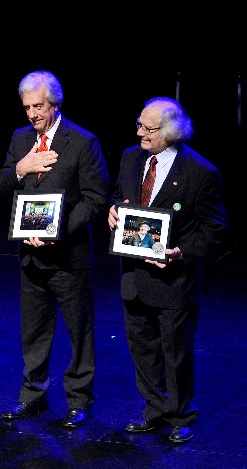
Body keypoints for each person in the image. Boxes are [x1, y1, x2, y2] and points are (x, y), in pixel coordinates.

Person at [108, 97, 228, 443]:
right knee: (141, 348)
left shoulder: (200, 172)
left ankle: (180, 415)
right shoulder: (132, 158)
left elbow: (216, 228)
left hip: (174, 280)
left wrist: (180, 253)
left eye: (148, 128)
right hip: (134, 275)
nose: (139, 132)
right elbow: (119, 197)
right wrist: (114, 211)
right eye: (139, 124)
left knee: (175, 353)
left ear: (171, 133)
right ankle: (154, 409)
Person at [0, 70, 109, 428]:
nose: (32, 114)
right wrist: (20, 168)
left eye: (38, 106)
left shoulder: (82, 141)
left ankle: (79, 400)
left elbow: (94, 199)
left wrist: (56, 232)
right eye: (27, 107)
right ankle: (33, 396)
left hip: (68, 258)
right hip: (30, 256)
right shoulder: (19, 139)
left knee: (79, 332)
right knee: (33, 331)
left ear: (55, 104)